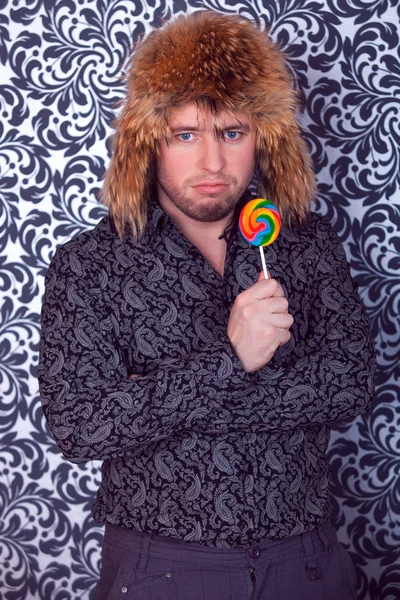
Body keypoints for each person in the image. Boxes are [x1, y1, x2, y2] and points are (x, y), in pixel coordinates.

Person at [38, 11, 376, 600]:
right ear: (150, 141)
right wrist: (233, 360)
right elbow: (82, 425)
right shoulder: (90, 264)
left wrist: (163, 400)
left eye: (233, 132)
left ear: (262, 137)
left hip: (308, 560)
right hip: (160, 567)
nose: (214, 163)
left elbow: (349, 386)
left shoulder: (307, 241)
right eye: (186, 134)